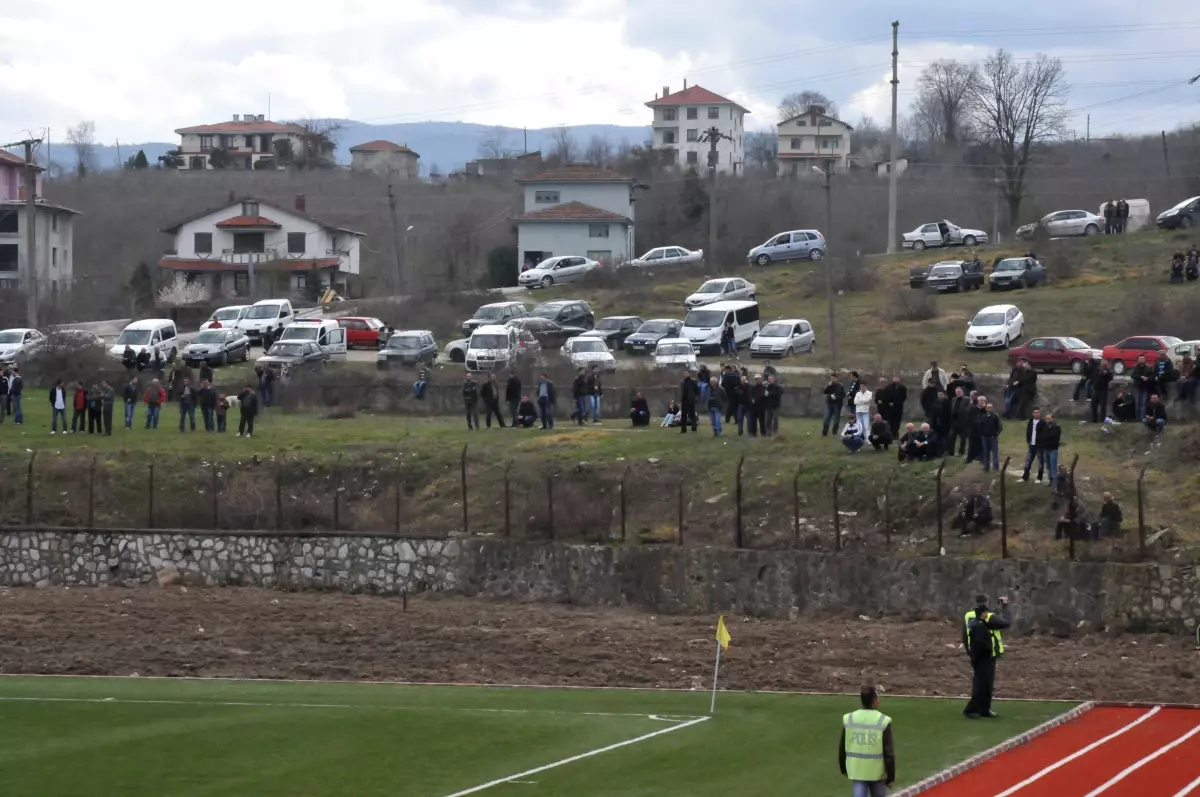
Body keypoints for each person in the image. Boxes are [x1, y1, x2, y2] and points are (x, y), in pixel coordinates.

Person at [838, 685, 895, 796]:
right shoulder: (883, 721)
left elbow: (842, 746)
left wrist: (843, 768)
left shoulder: (849, 718)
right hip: (876, 773)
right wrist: (890, 777)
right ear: (874, 701)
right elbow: (889, 753)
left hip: (856, 770)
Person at [962, 594, 1012, 719]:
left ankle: (984, 708)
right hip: (986, 654)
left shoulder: (968, 615)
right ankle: (972, 709)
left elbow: (964, 635)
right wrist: (1005, 606)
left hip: (975, 652)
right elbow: (1007, 622)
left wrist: (969, 652)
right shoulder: (989, 617)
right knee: (982, 682)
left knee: (985, 682)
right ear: (986, 603)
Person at [1019, 408, 1045, 484]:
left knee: (1041, 462)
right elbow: (1028, 431)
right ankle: (1025, 477)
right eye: (1035, 412)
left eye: (1038, 412)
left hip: (1039, 446)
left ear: (1039, 414)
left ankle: (1039, 478)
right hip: (1031, 445)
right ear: (1033, 413)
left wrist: (1042, 443)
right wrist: (1028, 440)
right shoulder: (1030, 422)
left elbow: (1044, 434)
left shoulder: (1042, 422)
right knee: (1028, 461)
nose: (1036, 414)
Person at [946, 388, 971, 457]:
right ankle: (950, 452)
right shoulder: (953, 399)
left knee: (963, 438)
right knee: (951, 436)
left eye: (959, 392)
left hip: (962, 423)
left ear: (962, 392)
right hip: (954, 423)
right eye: (957, 392)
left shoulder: (967, 399)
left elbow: (967, 410)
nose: (958, 393)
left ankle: (961, 452)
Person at [1040, 414, 1062, 491]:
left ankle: (1055, 486)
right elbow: (1042, 436)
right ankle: (1050, 482)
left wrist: (1046, 437)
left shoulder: (1057, 428)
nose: (1048, 420)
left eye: (1049, 418)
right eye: (1046, 419)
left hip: (1053, 450)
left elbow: (1052, 436)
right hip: (1046, 450)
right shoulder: (1045, 428)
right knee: (1048, 467)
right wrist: (1046, 437)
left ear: (1053, 419)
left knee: (1053, 468)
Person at [1130, 354, 1154, 421]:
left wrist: (1147, 378)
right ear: (1138, 360)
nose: (1141, 360)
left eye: (1143, 359)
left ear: (1145, 359)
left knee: (1143, 403)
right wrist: (1140, 377)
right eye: (1140, 359)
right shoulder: (1135, 367)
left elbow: (1152, 376)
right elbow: (1132, 375)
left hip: (1145, 387)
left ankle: (1141, 418)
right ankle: (1137, 418)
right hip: (1137, 387)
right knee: (1137, 402)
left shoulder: (1149, 367)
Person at [979, 403, 1002, 472]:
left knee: (995, 453)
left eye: (990, 407)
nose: (989, 409)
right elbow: (981, 426)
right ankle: (986, 467)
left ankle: (996, 468)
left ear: (992, 408)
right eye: (988, 407)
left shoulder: (995, 416)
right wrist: (982, 434)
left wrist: (995, 435)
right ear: (986, 409)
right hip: (984, 438)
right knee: (986, 453)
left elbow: (999, 427)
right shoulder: (983, 416)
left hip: (993, 438)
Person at [679, 370, 699, 434]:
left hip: (691, 401)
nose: (685, 374)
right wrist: (681, 401)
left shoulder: (693, 382)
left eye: (686, 373)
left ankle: (694, 429)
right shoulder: (683, 382)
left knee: (692, 415)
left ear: (689, 374)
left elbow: (697, 391)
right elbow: (682, 392)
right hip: (684, 401)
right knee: (683, 415)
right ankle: (683, 430)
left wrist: (696, 398)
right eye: (684, 373)